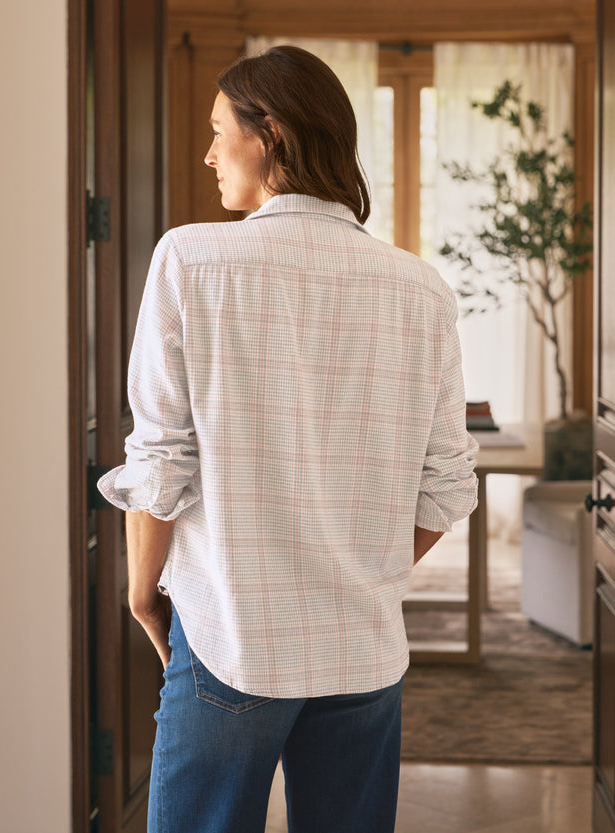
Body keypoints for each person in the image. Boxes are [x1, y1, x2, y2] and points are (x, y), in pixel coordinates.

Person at [99, 45, 478, 833]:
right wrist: (360, 567)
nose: (208, 153)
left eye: (218, 131)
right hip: (364, 653)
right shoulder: (421, 288)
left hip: (229, 638)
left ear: (267, 133)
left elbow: (161, 455)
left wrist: (142, 591)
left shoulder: (191, 259)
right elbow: (446, 486)